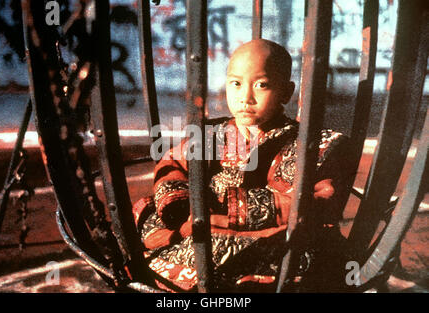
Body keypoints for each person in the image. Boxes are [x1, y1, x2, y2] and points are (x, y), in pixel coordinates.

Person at [132, 39, 354, 292]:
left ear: (286, 92)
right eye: (236, 84)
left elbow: (318, 200)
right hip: (201, 224)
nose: (245, 98)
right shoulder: (213, 134)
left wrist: (234, 209)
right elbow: (173, 162)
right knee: (155, 227)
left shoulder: (307, 143)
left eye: (261, 85)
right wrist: (182, 199)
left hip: (267, 237)